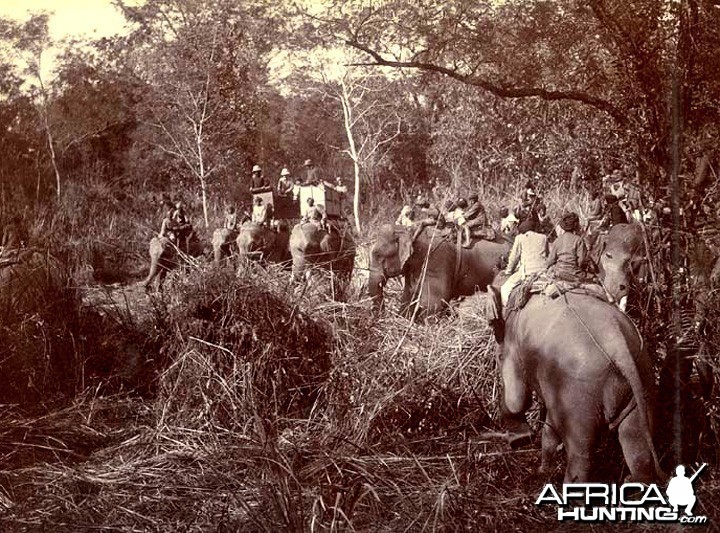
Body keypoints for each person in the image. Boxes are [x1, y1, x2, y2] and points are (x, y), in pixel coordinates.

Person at [501, 218, 549, 306]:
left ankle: (506, 310)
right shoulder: (543, 237)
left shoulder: (519, 238)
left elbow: (514, 257)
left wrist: (508, 271)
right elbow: (547, 255)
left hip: (527, 271)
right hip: (543, 271)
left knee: (505, 289)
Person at [545, 212, 588, 282]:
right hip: (573, 273)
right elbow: (581, 261)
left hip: (558, 272)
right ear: (576, 225)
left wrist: (545, 268)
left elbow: (551, 259)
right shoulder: (578, 240)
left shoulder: (557, 240)